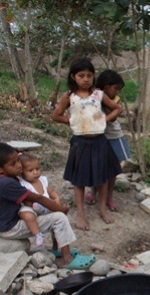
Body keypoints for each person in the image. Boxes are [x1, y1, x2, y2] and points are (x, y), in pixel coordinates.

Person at [0, 143, 95, 270]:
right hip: (9, 228)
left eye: (18, 160)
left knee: (51, 215)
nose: (19, 165)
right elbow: (38, 198)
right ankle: (67, 259)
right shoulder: (6, 183)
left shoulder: (4, 179)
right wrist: (62, 209)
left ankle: (57, 249)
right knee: (59, 218)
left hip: (4, 223)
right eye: (13, 163)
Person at [52, 57, 123, 230]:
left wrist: (105, 119)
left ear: (93, 76)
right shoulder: (69, 97)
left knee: (102, 178)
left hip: (100, 141)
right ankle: (81, 214)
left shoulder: (98, 94)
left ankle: (102, 209)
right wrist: (72, 121)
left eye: (89, 75)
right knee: (79, 180)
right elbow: (56, 115)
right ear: (73, 77)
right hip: (80, 142)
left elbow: (117, 108)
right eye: (81, 75)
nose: (85, 79)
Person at [85, 69, 130, 212]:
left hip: (113, 136)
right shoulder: (93, 96)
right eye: (115, 88)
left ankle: (109, 197)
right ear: (106, 86)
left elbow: (114, 116)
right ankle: (93, 191)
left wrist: (105, 109)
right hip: (99, 136)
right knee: (97, 167)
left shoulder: (113, 100)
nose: (117, 92)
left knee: (113, 169)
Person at [17, 153, 62, 248]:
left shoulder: (42, 180)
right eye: (30, 170)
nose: (35, 172)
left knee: (57, 223)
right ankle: (38, 235)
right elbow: (26, 201)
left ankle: (56, 244)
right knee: (26, 213)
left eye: (37, 169)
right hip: (31, 208)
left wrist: (56, 198)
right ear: (21, 172)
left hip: (46, 206)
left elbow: (51, 191)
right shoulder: (22, 184)